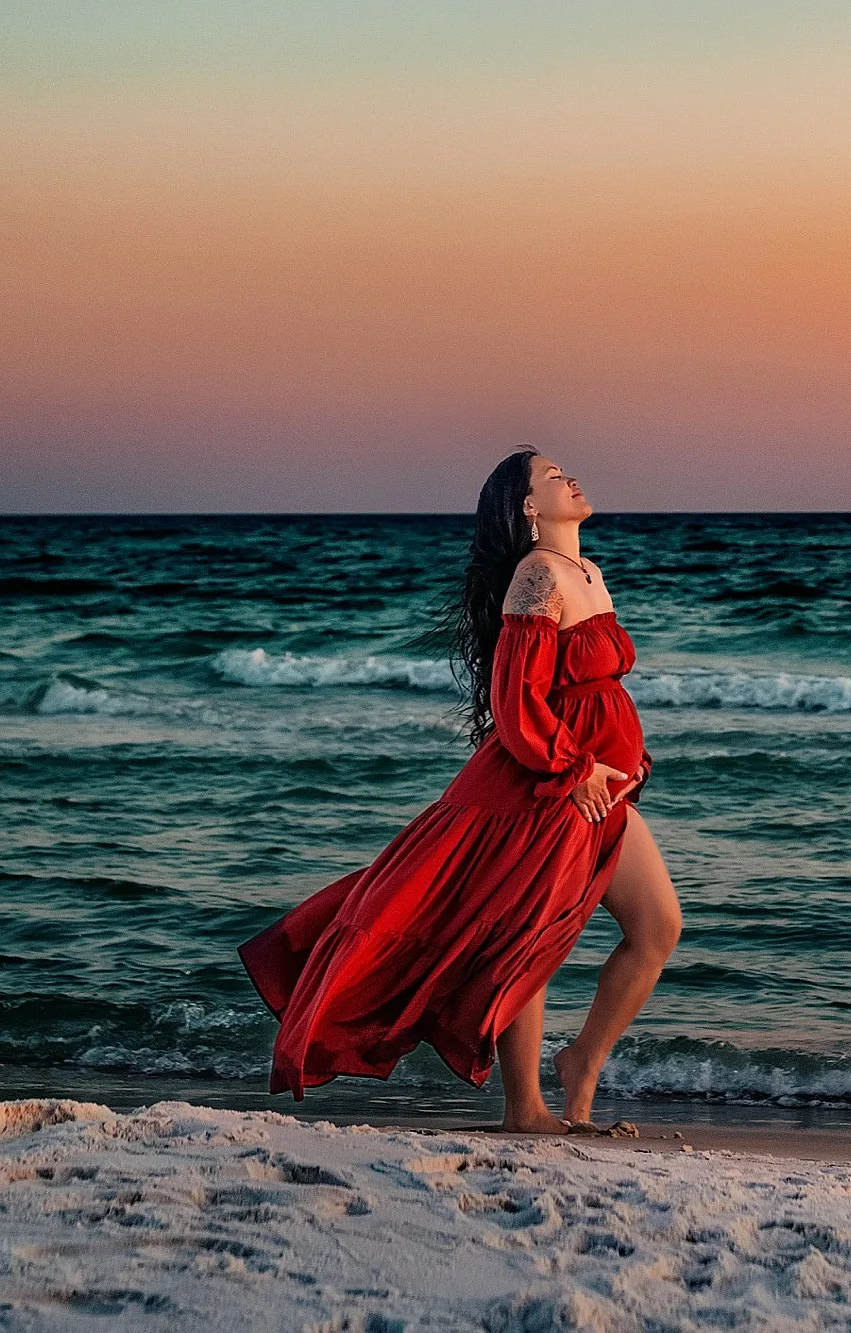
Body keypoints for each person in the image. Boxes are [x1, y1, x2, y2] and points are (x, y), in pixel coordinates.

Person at [239, 448, 683, 1132]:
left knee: (655, 928)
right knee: (525, 939)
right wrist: (571, 769)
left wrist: (629, 758)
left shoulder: (585, 571)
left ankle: (582, 1062)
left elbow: (595, 690)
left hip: (600, 788)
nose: (570, 476)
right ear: (529, 507)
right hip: (552, 787)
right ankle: (526, 1108)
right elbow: (515, 700)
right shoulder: (535, 575)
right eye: (552, 475)